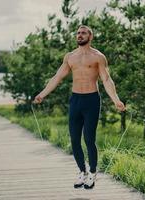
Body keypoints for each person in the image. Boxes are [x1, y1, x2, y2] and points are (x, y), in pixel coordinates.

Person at [33, 25, 125, 189]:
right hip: (75, 100)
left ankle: (92, 173)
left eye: (83, 33)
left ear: (91, 36)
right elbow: (57, 77)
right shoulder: (70, 57)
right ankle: (82, 172)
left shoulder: (98, 57)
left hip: (91, 101)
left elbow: (106, 80)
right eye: (78, 33)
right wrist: (42, 94)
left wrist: (116, 100)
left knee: (89, 139)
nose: (79, 35)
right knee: (75, 139)